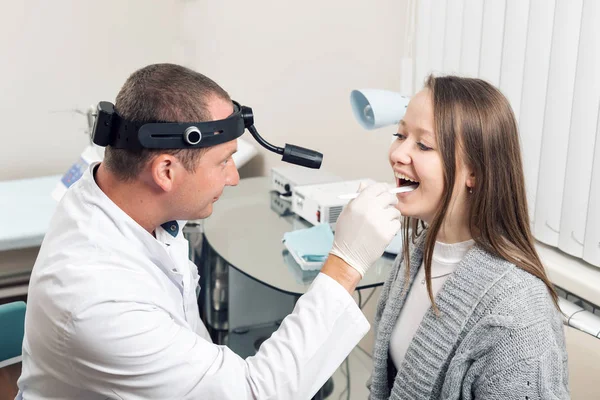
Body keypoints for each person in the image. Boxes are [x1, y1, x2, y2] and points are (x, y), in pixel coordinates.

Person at [17, 63, 401, 400]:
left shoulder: (116, 196)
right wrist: (346, 262)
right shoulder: (95, 300)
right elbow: (255, 393)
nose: (233, 178)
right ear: (166, 171)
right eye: (224, 161)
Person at [368, 75, 570, 399]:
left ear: (473, 172)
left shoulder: (517, 316)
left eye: (423, 144)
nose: (397, 154)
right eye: (400, 135)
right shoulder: (414, 257)